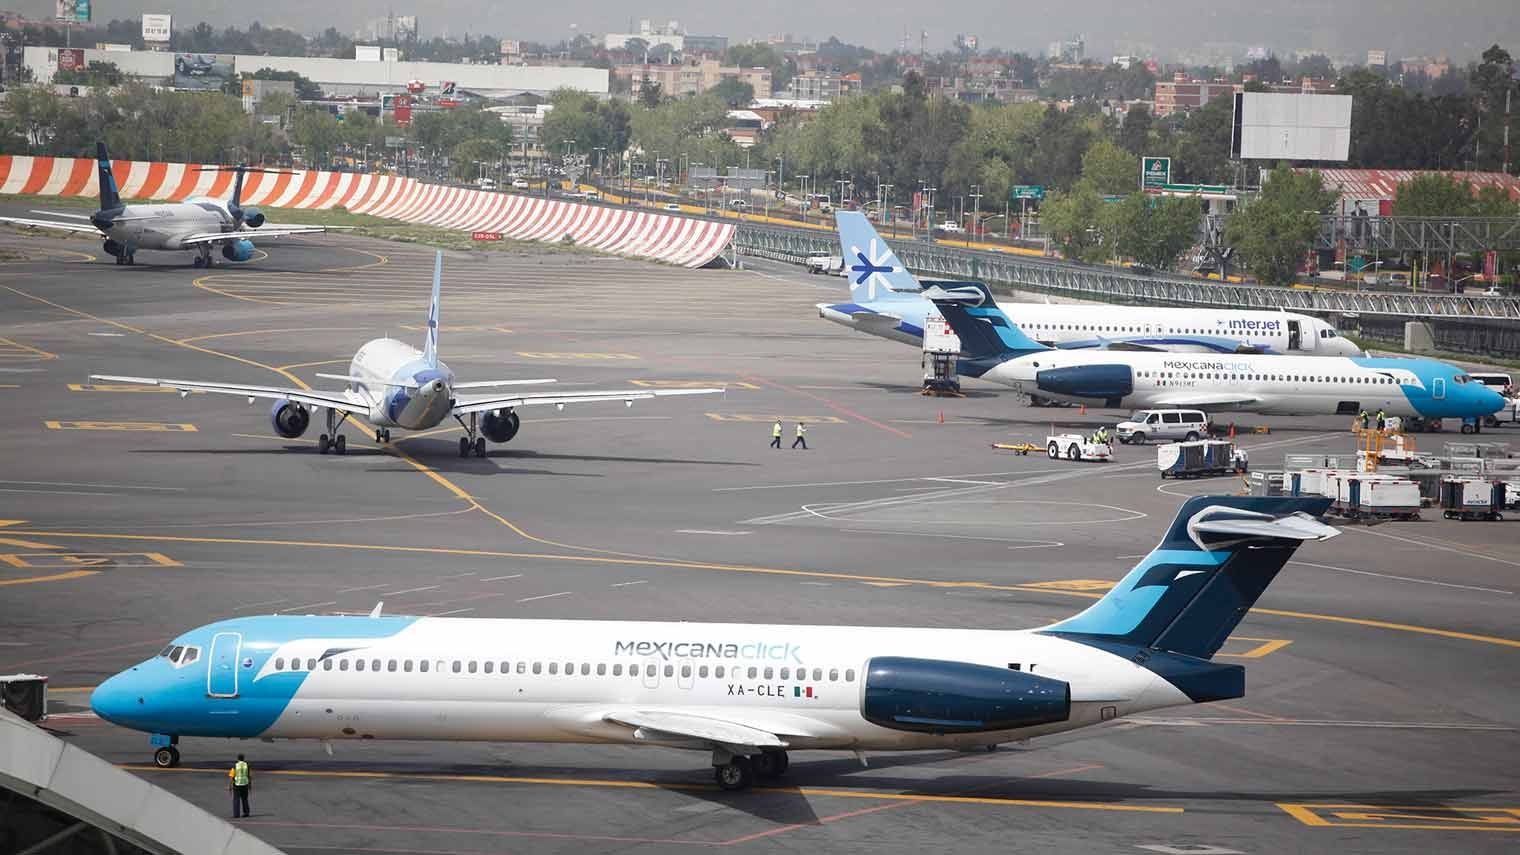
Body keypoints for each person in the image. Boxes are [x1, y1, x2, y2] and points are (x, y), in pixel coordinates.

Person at [228, 753, 251, 818]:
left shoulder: (235, 766)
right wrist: (250, 785)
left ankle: (236, 814)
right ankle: (246, 813)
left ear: (238, 759)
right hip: (245, 784)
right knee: (245, 799)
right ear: (244, 759)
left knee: (236, 799)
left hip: (237, 784)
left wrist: (230, 786)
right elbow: (249, 776)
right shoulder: (247, 765)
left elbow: (231, 776)